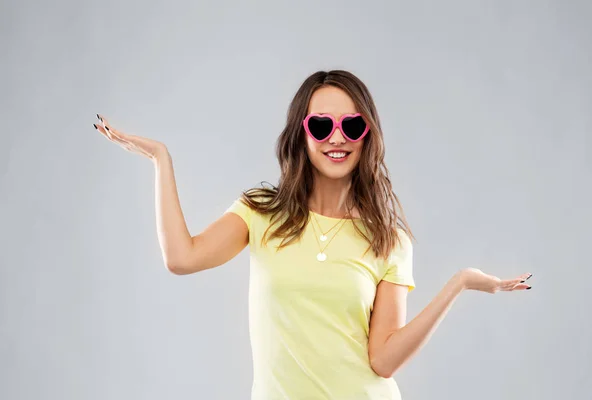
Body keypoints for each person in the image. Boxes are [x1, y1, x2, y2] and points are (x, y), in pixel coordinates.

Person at [92, 69, 533, 399]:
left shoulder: (389, 240)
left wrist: (458, 284)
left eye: (352, 125)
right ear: (302, 135)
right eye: (321, 125)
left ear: (367, 135)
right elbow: (181, 258)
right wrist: (161, 160)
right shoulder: (259, 213)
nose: (336, 138)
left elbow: (382, 360)